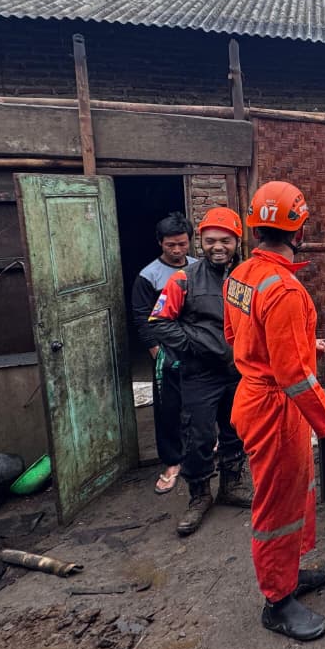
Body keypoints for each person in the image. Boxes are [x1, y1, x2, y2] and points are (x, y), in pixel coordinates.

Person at [223, 181, 325, 642]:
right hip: (274, 408)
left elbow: (238, 337)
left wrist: (303, 346)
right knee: (277, 503)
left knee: (294, 491)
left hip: (257, 395)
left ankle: (289, 572)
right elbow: (294, 378)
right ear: (298, 227)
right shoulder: (284, 289)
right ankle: (277, 602)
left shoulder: (242, 274)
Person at [148, 207, 253, 536]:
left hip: (238, 372)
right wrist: (195, 345)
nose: (217, 247)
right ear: (200, 243)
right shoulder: (184, 279)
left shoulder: (248, 277)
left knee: (236, 429)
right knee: (199, 436)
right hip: (199, 375)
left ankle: (231, 486)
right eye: (210, 241)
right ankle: (199, 496)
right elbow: (159, 324)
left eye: (225, 240)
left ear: (238, 241)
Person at [131, 212, 197, 495]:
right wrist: (156, 350)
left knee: (200, 401)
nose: (177, 250)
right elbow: (141, 315)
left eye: (182, 244)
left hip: (196, 346)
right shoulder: (149, 276)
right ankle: (172, 462)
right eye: (171, 245)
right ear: (160, 243)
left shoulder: (198, 268)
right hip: (166, 350)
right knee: (168, 406)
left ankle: (201, 452)